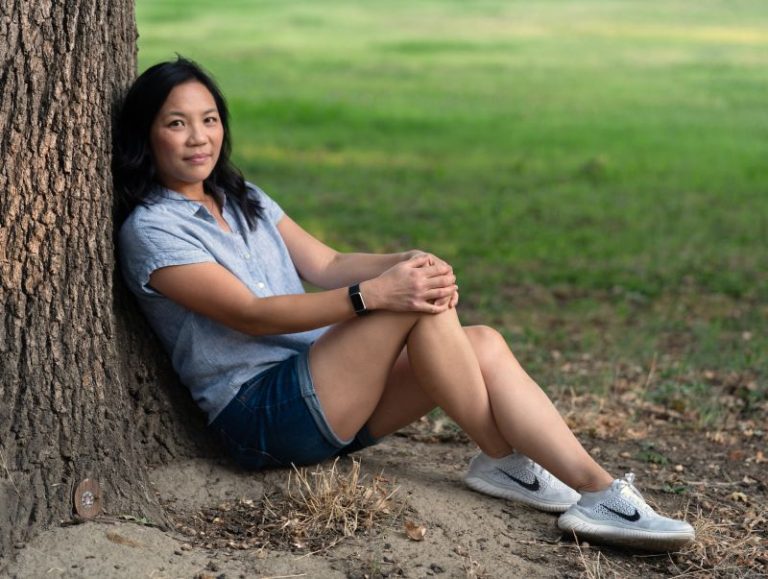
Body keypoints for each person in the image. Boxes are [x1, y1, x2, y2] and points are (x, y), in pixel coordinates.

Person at [114, 56, 695, 552]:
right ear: (147, 135)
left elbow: (328, 263)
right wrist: (375, 294)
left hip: (329, 395)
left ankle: (554, 478)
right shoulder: (152, 230)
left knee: (483, 342)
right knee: (407, 303)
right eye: (177, 124)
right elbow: (251, 314)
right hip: (261, 415)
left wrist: (407, 261)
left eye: (209, 119)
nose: (199, 137)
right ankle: (567, 480)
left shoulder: (244, 198)